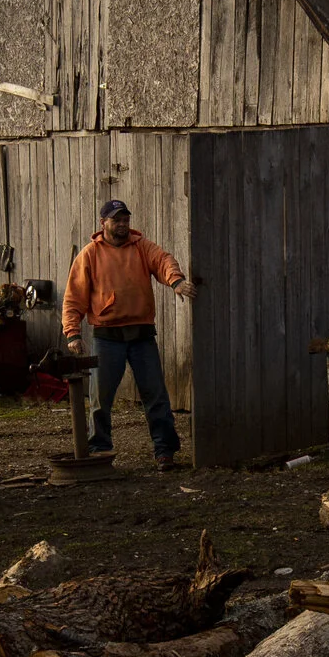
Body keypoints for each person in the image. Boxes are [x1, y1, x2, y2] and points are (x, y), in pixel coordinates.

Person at [63, 199, 195, 469]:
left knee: (156, 395)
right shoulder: (89, 255)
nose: (122, 225)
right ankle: (100, 451)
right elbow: (73, 298)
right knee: (101, 399)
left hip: (142, 336)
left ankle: (165, 451)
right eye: (116, 220)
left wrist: (176, 281)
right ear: (103, 224)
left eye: (125, 220)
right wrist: (73, 333)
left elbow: (163, 261)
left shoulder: (142, 247)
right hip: (106, 337)